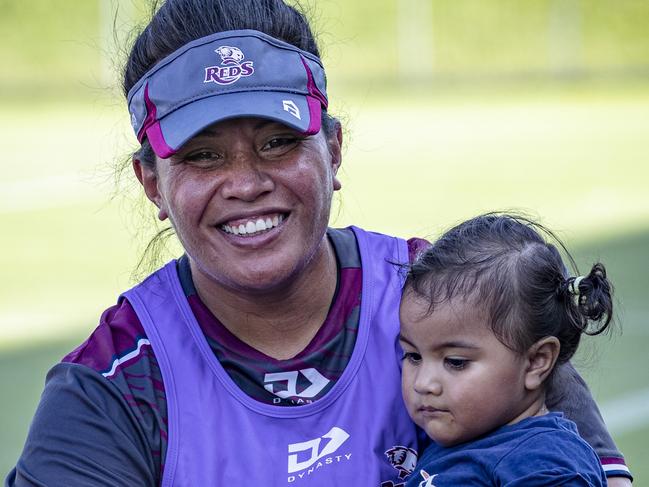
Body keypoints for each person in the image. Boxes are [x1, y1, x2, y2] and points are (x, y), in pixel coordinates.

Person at [6, 1, 632, 486]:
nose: (246, 183)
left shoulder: (464, 304)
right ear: (152, 184)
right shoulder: (113, 388)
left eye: (278, 141)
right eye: (202, 156)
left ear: (332, 149)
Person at [399, 214, 624, 486]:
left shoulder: (545, 463)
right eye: (413, 356)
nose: (423, 384)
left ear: (536, 362)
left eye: (455, 362)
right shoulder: (460, 445)